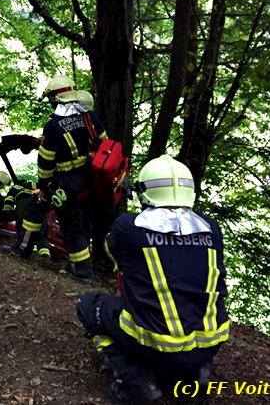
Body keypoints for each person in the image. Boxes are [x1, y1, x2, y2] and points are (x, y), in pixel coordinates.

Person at [76, 155, 229, 404]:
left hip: (154, 345)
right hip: (209, 345)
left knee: (88, 305)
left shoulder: (128, 227)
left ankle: (135, 381)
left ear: (144, 190)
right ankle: (197, 372)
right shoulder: (212, 229)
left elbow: (112, 251)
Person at [22, 76, 106, 282]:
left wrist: (43, 187)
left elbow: (46, 163)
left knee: (65, 223)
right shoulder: (89, 117)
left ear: (57, 98)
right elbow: (105, 145)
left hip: (66, 184)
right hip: (90, 180)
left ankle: (82, 272)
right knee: (81, 223)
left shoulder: (53, 126)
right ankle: (75, 266)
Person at [0, 178, 52, 260]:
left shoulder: (16, 187)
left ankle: (20, 249)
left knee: (23, 231)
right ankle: (45, 254)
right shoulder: (40, 187)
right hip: (41, 214)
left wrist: (6, 210)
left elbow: (9, 199)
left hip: (25, 210)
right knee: (41, 235)